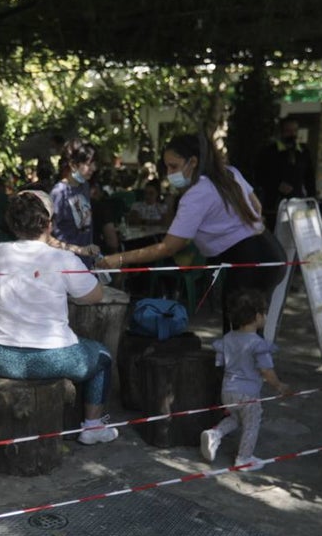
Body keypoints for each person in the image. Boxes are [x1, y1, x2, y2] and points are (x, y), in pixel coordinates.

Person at [98, 133, 286, 332]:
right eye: (167, 166)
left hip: (248, 263)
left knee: (240, 339)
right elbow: (256, 207)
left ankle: (251, 363)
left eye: (174, 166)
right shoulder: (229, 173)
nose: (169, 173)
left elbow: (168, 247)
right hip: (269, 251)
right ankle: (257, 362)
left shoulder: (197, 194)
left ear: (193, 162)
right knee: (250, 334)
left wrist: (118, 258)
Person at [0, 190, 118, 445]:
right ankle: (93, 425)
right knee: (103, 356)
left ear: (12, 223)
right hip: (51, 358)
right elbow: (94, 295)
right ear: (49, 224)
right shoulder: (63, 258)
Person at [199, 290, 288, 469]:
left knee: (235, 418)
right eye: (264, 313)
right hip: (248, 394)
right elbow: (266, 370)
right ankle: (243, 458)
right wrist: (278, 385)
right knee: (252, 423)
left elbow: (221, 362)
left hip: (228, 391)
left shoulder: (228, 339)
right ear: (257, 316)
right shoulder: (258, 344)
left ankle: (214, 434)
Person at [49, 138, 102, 265]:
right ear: (73, 165)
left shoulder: (84, 186)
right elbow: (46, 237)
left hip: (85, 262)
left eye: (94, 164)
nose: (93, 168)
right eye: (88, 164)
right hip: (65, 264)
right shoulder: (59, 193)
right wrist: (79, 250)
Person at [254, 117, 315, 224]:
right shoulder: (269, 152)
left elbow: (310, 177)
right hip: (274, 204)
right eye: (288, 131)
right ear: (281, 132)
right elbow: (259, 176)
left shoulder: (303, 152)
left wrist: (312, 199)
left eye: (295, 131)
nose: (292, 134)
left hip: (298, 202)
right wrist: (276, 184)